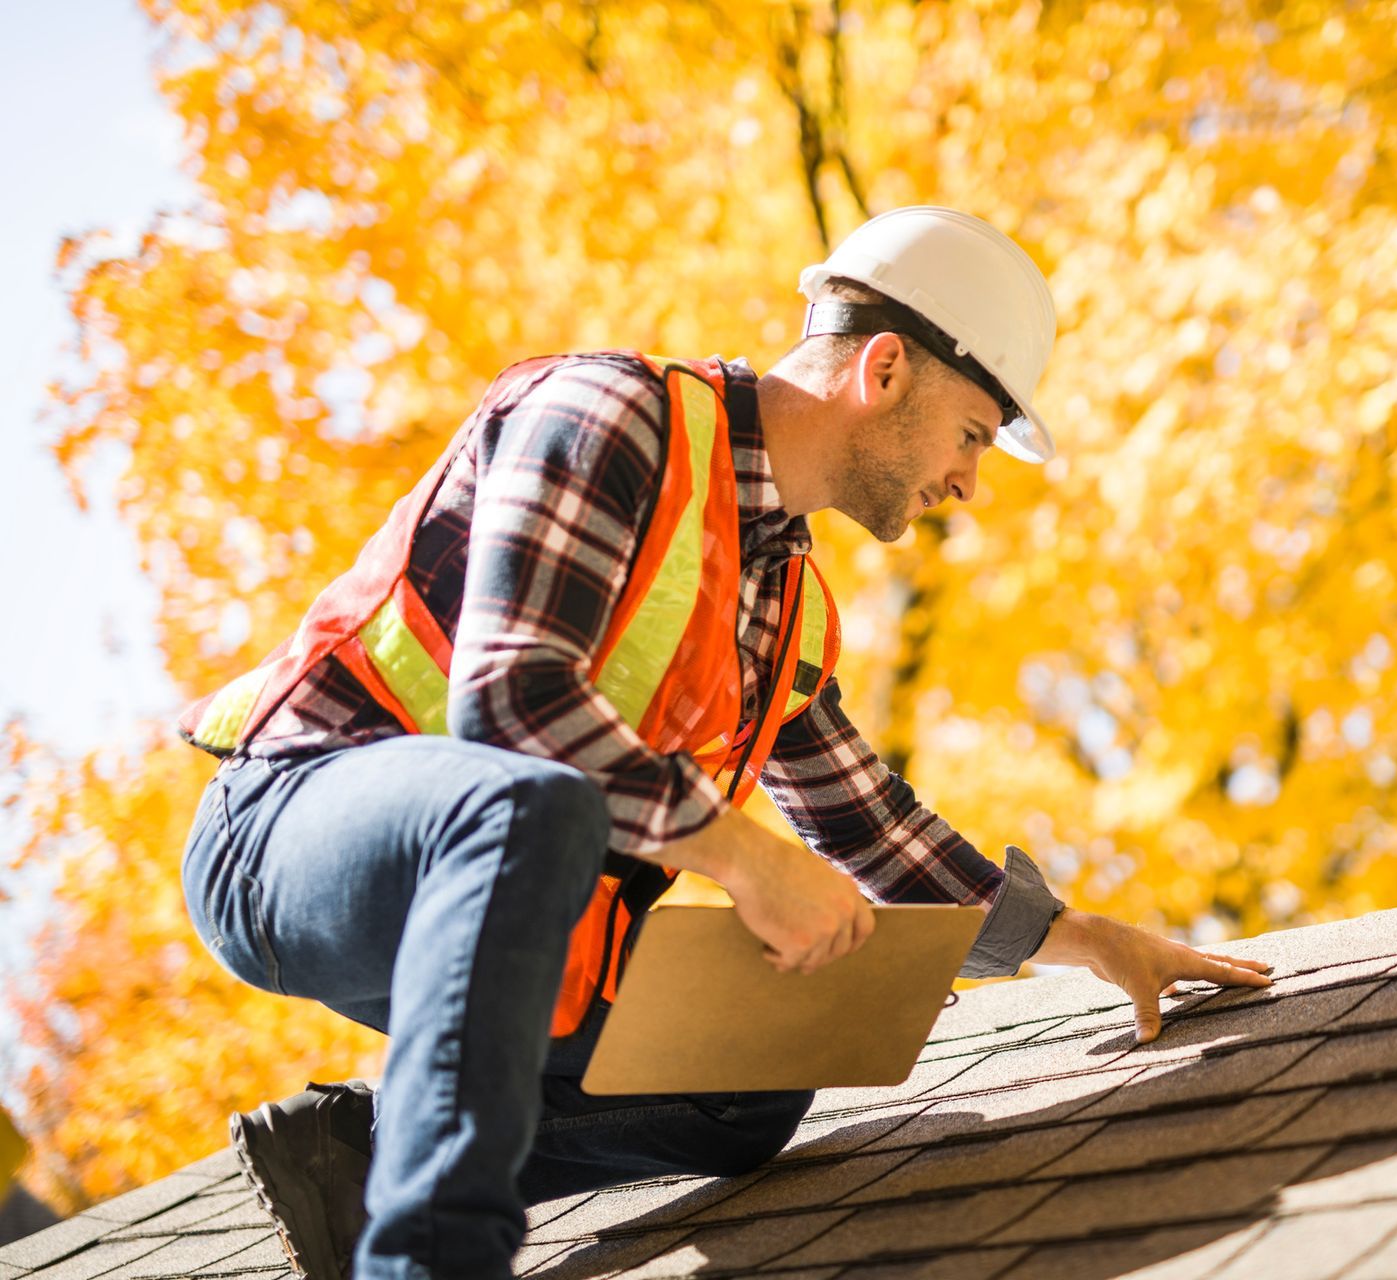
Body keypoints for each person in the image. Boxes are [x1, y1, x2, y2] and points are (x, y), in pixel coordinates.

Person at [174, 206, 1273, 1280]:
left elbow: (870, 831)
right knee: (532, 801)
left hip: (509, 911)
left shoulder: (781, 601)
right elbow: (512, 704)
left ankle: (354, 1164)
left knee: (754, 1072)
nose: (967, 482)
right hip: (289, 831)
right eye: (973, 435)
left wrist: (1089, 941)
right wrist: (748, 858)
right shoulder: (610, 413)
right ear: (883, 369)